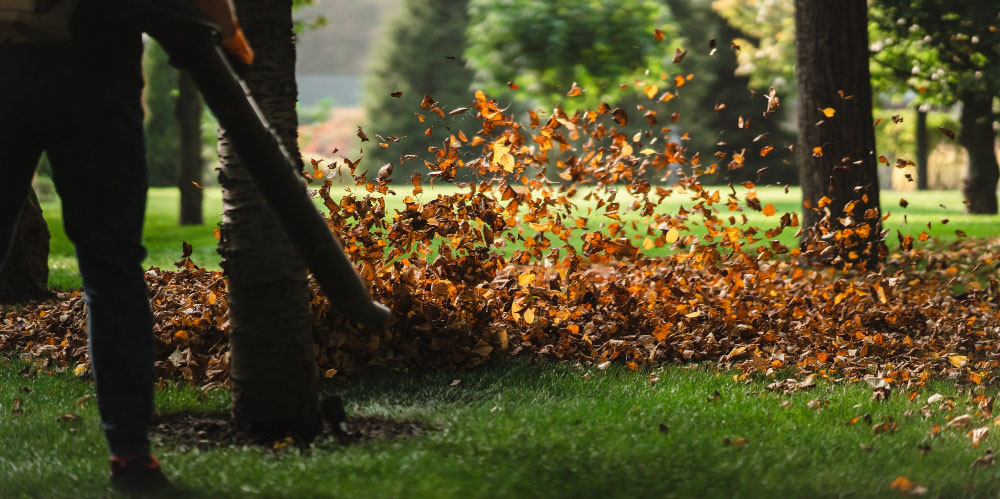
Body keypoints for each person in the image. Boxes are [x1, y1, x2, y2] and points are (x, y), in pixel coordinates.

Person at [0, 0, 249, 492]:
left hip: (63, 57)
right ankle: (132, 457)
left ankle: (133, 454)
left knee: (112, 268)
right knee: (112, 268)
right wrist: (230, 37)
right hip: (92, 64)